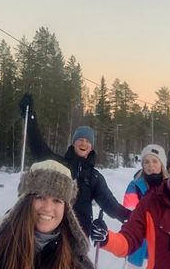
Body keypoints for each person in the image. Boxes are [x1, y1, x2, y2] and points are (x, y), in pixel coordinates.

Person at [0, 159, 94, 269]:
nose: (48, 208)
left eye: (57, 200)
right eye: (40, 197)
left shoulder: (75, 257)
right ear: (24, 201)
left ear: (66, 209)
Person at [19, 93, 129, 236]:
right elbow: (39, 150)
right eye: (80, 139)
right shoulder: (59, 164)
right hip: (54, 229)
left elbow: (110, 204)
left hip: (79, 234)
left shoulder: (94, 176)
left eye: (88, 141)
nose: (84, 143)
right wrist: (30, 118)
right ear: (74, 143)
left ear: (91, 147)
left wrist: (133, 218)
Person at [92, 144, 170, 269]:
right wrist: (107, 238)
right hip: (142, 253)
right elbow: (129, 237)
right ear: (169, 169)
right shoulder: (149, 202)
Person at [119, 144, 168, 268]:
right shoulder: (134, 186)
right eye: (146, 162)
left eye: (154, 161)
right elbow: (130, 213)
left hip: (164, 247)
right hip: (139, 248)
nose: (151, 165)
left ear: (162, 164)